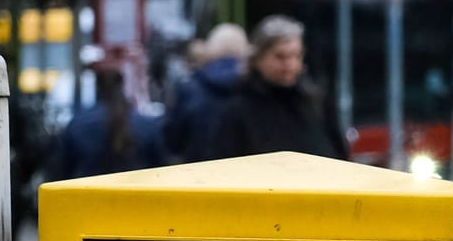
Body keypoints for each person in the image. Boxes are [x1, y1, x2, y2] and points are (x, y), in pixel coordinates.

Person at [215, 15, 349, 159]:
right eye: (280, 57)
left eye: (296, 55)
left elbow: (338, 155)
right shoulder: (236, 109)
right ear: (258, 58)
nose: (290, 65)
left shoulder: (315, 101)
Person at [44, 66, 167, 180]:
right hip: (138, 200)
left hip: (88, 199)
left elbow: (60, 174)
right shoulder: (147, 126)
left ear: (96, 86)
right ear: (122, 85)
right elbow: (162, 172)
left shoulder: (76, 127)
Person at [165, 23, 249, 164]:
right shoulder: (255, 88)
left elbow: (172, 141)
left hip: (198, 177)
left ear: (210, 49)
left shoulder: (188, 87)